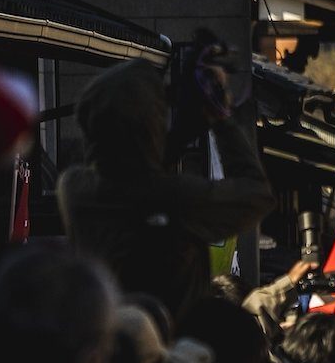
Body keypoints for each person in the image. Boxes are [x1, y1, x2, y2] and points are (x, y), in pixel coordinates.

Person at [57, 58, 274, 321]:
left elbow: (133, 166)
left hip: (104, 337)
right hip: (172, 344)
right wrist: (220, 117)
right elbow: (257, 194)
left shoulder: (74, 189)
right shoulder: (175, 199)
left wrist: (186, 129)